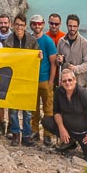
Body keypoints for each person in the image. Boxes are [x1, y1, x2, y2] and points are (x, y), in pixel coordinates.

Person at [42, 68, 87, 164]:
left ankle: (80, 144)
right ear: (61, 82)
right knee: (46, 121)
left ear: (75, 80)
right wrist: (61, 128)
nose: (67, 83)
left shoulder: (82, 94)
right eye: (64, 81)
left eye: (70, 80)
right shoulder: (59, 91)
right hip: (68, 129)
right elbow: (56, 112)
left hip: (84, 133)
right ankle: (69, 142)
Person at [3, 14, 40, 146]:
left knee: (27, 111)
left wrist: (38, 56)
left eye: (22, 25)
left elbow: (36, 57)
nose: (19, 27)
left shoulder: (31, 40)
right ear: (13, 25)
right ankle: (15, 134)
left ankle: (26, 135)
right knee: (13, 110)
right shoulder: (8, 41)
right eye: (17, 25)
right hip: (13, 79)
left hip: (27, 79)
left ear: (25, 26)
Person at [29, 14, 58, 146]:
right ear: (31, 25)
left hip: (45, 79)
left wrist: (51, 81)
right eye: (34, 24)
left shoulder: (48, 41)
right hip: (31, 80)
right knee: (33, 108)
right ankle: (34, 130)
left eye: (39, 24)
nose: (37, 26)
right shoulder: (28, 40)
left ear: (43, 24)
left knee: (48, 109)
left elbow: (53, 62)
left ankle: (48, 134)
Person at [55, 14, 87, 93]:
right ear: (67, 26)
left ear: (78, 27)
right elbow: (58, 63)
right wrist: (59, 60)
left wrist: (75, 69)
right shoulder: (61, 42)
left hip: (80, 84)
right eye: (70, 26)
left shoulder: (85, 43)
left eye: (75, 26)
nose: (72, 28)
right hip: (66, 84)